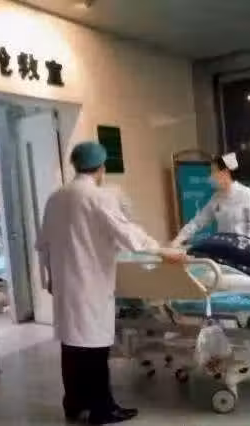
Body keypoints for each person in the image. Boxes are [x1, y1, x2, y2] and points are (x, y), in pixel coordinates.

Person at [36, 142, 185, 425]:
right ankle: (102, 410)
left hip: (66, 285)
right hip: (90, 285)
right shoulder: (97, 197)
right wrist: (161, 250)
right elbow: (127, 232)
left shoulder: (55, 198)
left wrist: (49, 277)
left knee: (71, 347)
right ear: (101, 168)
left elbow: (43, 244)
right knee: (94, 349)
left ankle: (74, 404)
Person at [171, 152, 250, 247]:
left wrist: (246, 247)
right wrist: (179, 239)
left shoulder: (247, 195)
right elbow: (198, 221)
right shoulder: (216, 198)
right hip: (223, 248)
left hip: (243, 250)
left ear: (225, 173)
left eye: (213, 171)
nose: (211, 176)